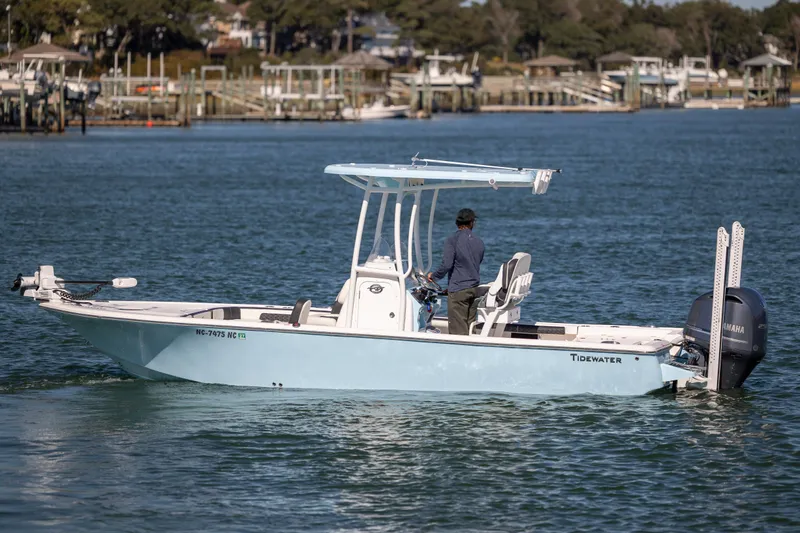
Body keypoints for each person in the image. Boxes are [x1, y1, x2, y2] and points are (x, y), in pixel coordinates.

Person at [428, 208, 485, 335]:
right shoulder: (479, 242)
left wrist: (434, 276)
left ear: (457, 223)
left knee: (458, 332)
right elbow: (473, 265)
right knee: (470, 329)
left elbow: (447, 265)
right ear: (472, 223)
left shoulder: (452, 240)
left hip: (458, 292)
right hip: (474, 290)